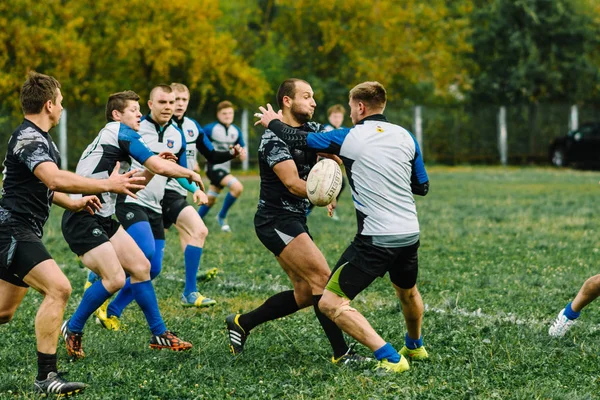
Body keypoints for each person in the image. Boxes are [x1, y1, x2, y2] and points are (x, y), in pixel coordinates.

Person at [255, 81, 430, 373]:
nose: (349, 114)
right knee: (407, 291)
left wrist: (272, 121)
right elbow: (421, 186)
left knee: (329, 301)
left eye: (351, 108)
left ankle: (389, 357)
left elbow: (297, 140)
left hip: (376, 238)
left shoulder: (351, 136)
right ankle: (415, 346)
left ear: (360, 107)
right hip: (410, 233)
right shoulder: (405, 136)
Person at [0, 72, 145, 395]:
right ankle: (46, 378)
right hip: (14, 229)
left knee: (4, 312)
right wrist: (108, 183)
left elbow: (45, 188)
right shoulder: (30, 138)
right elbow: (53, 179)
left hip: (21, 229)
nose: (63, 108)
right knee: (59, 288)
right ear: (49, 104)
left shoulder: (41, 139)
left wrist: (76, 204)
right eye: (61, 102)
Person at [225, 79, 364, 365]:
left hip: (295, 218)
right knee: (323, 280)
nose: (314, 102)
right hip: (275, 220)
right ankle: (342, 354)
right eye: (307, 96)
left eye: (313, 96)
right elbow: (291, 183)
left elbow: (333, 154)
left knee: (303, 294)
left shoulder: (313, 130)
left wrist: (332, 168)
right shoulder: (272, 138)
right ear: (287, 101)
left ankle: (242, 322)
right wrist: (324, 193)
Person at [60, 90, 207, 360]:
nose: (139, 114)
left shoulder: (119, 141)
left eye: (140, 110)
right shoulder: (119, 131)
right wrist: (188, 172)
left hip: (102, 218)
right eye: (134, 110)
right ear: (117, 114)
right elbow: (155, 164)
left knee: (142, 267)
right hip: (81, 217)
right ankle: (73, 327)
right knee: (115, 278)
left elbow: (138, 184)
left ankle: (159, 334)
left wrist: (154, 167)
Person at [96, 84, 210, 329]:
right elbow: (152, 164)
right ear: (151, 104)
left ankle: (112, 309)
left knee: (154, 268)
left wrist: (195, 188)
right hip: (131, 200)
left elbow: (174, 172)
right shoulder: (134, 128)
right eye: (163, 102)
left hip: (156, 205)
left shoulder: (176, 135)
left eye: (172, 102)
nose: (169, 107)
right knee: (144, 253)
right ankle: (99, 278)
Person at [166, 83, 245, 306]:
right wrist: (196, 187)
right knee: (146, 258)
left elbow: (210, 153)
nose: (179, 104)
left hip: (177, 190)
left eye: (184, 100)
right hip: (156, 194)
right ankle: (99, 275)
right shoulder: (159, 127)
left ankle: (190, 288)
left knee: (195, 230)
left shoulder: (192, 126)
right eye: (175, 99)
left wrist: (231, 153)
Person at [198, 101, 247, 232]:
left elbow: (243, 150)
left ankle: (196, 220)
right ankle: (221, 216)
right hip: (213, 168)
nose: (227, 116)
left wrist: (241, 154)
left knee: (210, 200)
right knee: (237, 188)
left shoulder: (235, 131)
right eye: (224, 113)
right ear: (218, 114)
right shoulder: (210, 128)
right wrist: (194, 161)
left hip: (226, 169)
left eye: (230, 113)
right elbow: (197, 142)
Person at [306, 104, 348, 220]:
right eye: (334, 116)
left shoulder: (343, 131)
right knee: (317, 187)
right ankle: (307, 208)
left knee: (341, 183)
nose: (337, 119)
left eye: (339, 117)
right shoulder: (324, 129)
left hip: (334, 167)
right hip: (321, 166)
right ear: (329, 117)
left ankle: (332, 209)